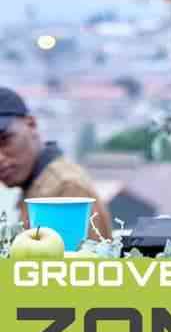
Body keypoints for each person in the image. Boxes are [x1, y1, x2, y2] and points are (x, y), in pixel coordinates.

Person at [0, 87, 113, 240]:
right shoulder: (37, 184)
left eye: (5, 140)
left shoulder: (66, 188)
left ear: (31, 124)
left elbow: (84, 254)